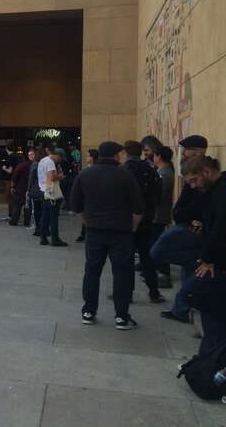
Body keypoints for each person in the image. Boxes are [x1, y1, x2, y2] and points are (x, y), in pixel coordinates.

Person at [70, 141, 145, 329]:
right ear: (115, 155)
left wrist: (87, 222)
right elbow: (138, 206)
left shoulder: (86, 174)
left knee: (92, 270)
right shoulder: (125, 174)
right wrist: (133, 227)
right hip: (121, 231)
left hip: (95, 230)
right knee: (122, 273)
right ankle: (121, 316)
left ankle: (88, 311)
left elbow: (75, 204)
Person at [151, 134, 210, 323]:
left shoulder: (203, 174)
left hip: (193, 228)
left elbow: (200, 204)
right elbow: (184, 204)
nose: (183, 154)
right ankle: (181, 310)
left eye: (187, 151)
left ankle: (183, 307)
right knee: (189, 269)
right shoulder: (191, 170)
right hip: (187, 223)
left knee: (157, 251)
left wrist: (188, 215)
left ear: (198, 152)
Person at [177, 156, 226, 353]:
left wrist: (209, 259)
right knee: (209, 313)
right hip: (215, 258)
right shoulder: (214, 190)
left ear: (206, 172)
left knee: (198, 297)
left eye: (194, 180)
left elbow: (221, 228)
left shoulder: (221, 191)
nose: (193, 185)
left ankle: (209, 359)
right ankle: (207, 358)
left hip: (218, 261)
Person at [122, 140, 164, 303]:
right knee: (146, 256)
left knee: (126, 258)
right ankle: (154, 292)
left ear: (126, 152)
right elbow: (158, 193)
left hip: (127, 218)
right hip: (146, 218)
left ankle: (127, 293)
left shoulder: (124, 170)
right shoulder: (150, 169)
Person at [152, 145, 175, 288]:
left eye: (154, 155)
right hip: (158, 212)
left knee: (159, 244)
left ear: (159, 157)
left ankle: (163, 273)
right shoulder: (162, 171)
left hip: (159, 213)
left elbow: (160, 195)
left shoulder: (164, 173)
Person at [37, 145, 68, 246]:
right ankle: (55, 239)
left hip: (42, 190)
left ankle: (43, 238)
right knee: (53, 216)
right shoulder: (50, 162)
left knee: (45, 215)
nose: (60, 160)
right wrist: (60, 176)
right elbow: (52, 178)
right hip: (50, 192)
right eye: (61, 158)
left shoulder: (43, 160)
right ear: (57, 155)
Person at [75, 148, 99, 242]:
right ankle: (84, 233)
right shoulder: (87, 168)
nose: (86, 157)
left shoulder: (96, 168)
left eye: (88, 156)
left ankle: (87, 232)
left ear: (93, 157)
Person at [9, 152, 32, 226]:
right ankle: (26, 222)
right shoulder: (33, 165)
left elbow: (14, 177)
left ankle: (14, 221)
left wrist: (12, 187)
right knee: (27, 206)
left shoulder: (21, 166)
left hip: (19, 188)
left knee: (16, 206)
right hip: (28, 188)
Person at [27, 148, 46, 235]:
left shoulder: (34, 164)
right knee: (42, 210)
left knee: (37, 210)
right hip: (43, 188)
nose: (30, 156)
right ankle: (43, 228)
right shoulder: (44, 163)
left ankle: (39, 228)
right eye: (29, 155)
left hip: (36, 189)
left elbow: (31, 178)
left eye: (32, 154)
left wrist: (28, 189)